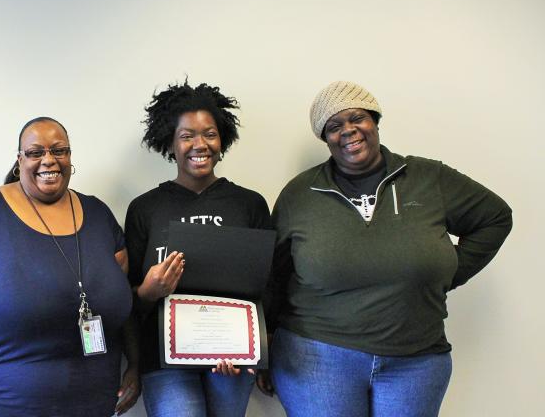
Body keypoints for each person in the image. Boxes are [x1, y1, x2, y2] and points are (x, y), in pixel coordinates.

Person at [259, 81, 513, 417]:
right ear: (325, 138)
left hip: (417, 361)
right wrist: (263, 348)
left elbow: (495, 218)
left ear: (375, 121)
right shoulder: (300, 194)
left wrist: (446, 272)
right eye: (334, 126)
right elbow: (274, 275)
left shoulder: (427, 176)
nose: (348, 131)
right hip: (317, 358)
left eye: (357, 118)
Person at [0, 117, 140, 416]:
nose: (48, 160)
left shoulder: (99, 214)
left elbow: (123, 302)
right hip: (4, 405)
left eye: (59, 150)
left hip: (94, 404)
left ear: (69, 156)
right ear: (19, 160)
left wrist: (135, 365)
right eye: (35, 152)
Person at [125, 81, 271, 417]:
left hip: (234, 357)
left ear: (222, 140)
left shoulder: (249, 204)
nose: (199, 144)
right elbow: (124, 295)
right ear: (171, 144)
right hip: (164, 359)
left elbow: (269, 284)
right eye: (187, 135)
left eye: (209, 133)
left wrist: (260, 351)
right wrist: (148, 291)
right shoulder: (145, 208)